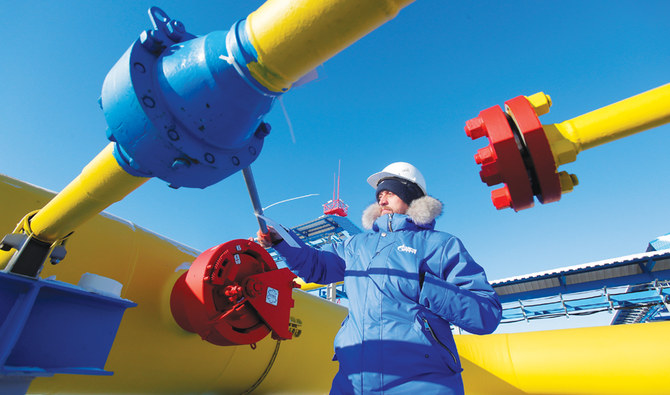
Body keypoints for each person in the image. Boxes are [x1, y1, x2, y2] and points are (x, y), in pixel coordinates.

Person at [257, 162, 502, 394]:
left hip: (423, 382)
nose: (381, 199)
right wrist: (283, 242)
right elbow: (316, 267)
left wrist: (423, 286)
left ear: (412, 198)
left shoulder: (440, 245)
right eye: (379, 195)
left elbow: (486, 314)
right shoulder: (356, 245)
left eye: (390, 193)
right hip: (352, 380)